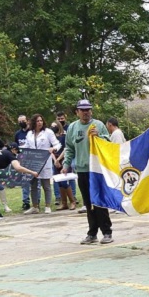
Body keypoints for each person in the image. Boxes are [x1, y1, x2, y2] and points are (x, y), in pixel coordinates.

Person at [62, 100, 113, 244]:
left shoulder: (99, 125)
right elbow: (70, 148)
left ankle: (107, 232)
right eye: (82, 110)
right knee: (88, 202)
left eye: (88, 109)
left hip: (96, 170)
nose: (86, 112)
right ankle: (92, 233)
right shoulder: (72, 127)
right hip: (82, 169)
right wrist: (66, 164)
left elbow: (108, 144)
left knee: (99, 202)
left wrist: (99, 136)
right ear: (77, 112)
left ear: (91, 111)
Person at [0, 143, 39, 220]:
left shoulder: (1, 151)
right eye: (16, 152)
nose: (16, 154)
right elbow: (18, 168)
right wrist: (32, 172)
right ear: (13, 149)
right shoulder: (9, 154)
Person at [24, 114, 61, 214]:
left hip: (45, 160)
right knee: (33, 185)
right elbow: (27, 146)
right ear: (33, 123)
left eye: (41, 120)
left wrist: (53, 148)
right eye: (37, 121)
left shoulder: (48, 132)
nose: (39, 122)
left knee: (46, 185)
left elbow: (57, 144)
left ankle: (47, 206)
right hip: (33, 161)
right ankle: (35, 206)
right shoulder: (29, 134)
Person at [51, 123, 76, 211]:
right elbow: (50, 150)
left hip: (64, 159)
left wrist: (59, 159)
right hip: (55, 161)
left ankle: (72, 201)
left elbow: (66, 149)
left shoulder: (64, 136)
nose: (53, 127)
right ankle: (64, 203)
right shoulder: (52, 137)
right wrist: (55, 160)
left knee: (65, 181)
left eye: (55, 126)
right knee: (59, 182)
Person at [14, 115, 33, 210]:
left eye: (23, 121)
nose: (22, 123)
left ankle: (36, 201)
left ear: (27, 121)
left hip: (33, 158)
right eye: (20, 121)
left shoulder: (32, 132)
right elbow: (15, 147)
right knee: (24, 181)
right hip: (22, 158)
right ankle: (26, 201)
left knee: (35, 182)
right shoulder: (18, 134)